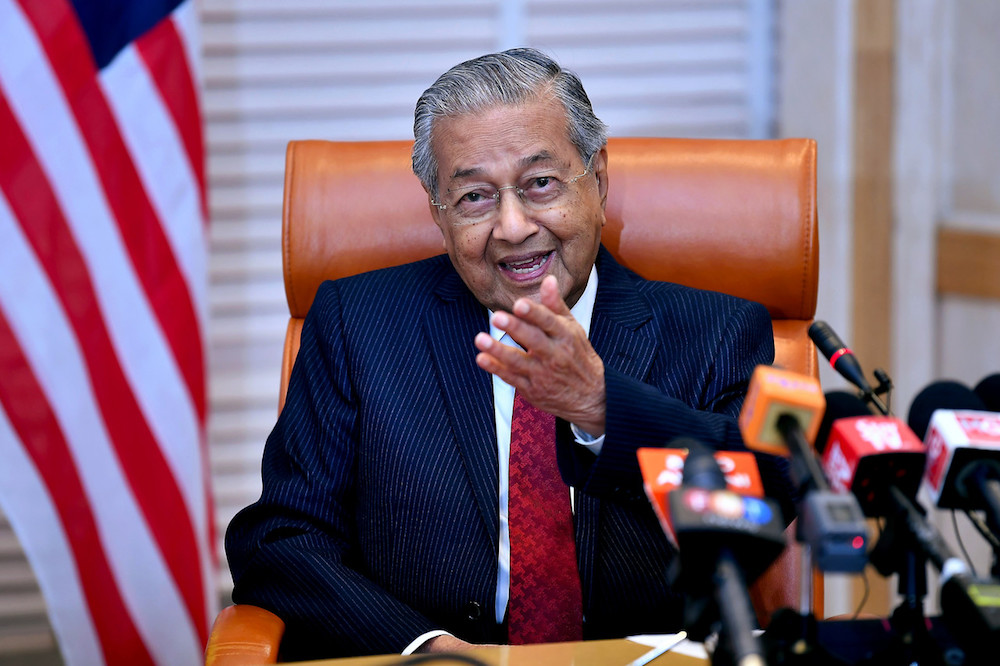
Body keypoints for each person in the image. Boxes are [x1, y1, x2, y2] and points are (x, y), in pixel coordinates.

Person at [225, 47, 791, 659]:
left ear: (598, 180)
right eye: (474, 197)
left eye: (541, 184)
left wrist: (605, 408)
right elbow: (279, 540)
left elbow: (764, 503)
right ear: (438, 212)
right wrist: (423, 648)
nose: (514, 226)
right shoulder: (355, 326)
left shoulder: (714, 332)